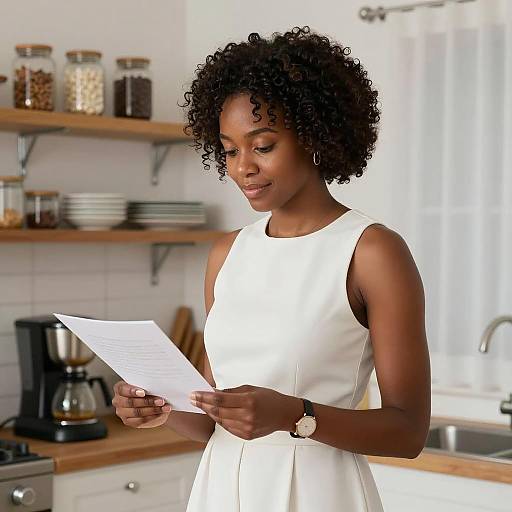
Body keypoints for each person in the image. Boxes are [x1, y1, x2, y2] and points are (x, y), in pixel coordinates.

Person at [112, 25, 431, 511]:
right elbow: (209, 419)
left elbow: (408, 431)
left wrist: (296, 416)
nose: (243, 168)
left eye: (262, 146)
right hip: (222, 490)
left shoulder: (372, 252)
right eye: (230, 149)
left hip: (320, 492)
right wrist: (158, 407)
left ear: (315, 136)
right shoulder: (227, 254)